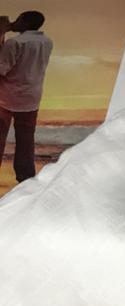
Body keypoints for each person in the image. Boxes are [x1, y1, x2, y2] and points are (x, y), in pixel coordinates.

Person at [0, 11, 53, 183]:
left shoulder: (15, 42)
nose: (14, 22)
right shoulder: (47, 42)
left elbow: (2, 69)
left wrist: (2, 33)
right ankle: (25, 178)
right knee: (26, 140)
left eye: (18, 19)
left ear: (25, 22)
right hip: (31, 98)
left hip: (7, 98)